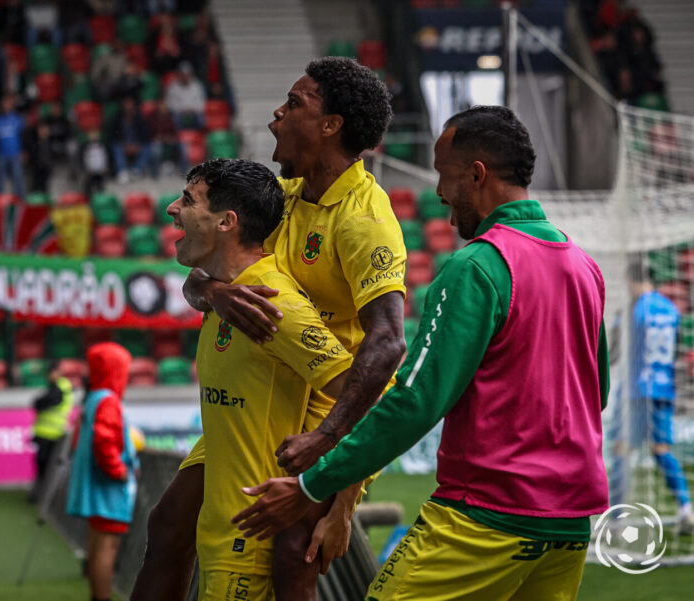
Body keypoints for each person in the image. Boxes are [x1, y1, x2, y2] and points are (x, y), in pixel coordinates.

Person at [233, 106, 611, 601]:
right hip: (568, 527)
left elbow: (416, 401)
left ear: (476, 175)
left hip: (483, 519)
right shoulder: (584, 266)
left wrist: (313, 485)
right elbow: (595, 391)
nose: (438, 193)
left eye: (444, 174)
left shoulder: (477, 266)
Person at [132, 57, 406, 601]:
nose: (276, 113)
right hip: (268, 394)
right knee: (168, 524)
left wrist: (340, 483)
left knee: (292, 546)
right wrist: (213, 294)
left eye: (295, 103)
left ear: (330, 125)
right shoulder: (283, 198)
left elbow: (389, 344)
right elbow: (199, 277)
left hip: (337, 405)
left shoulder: (363, 219)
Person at [167, 158, 359, 601]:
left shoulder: (275, 305)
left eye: (188, 200)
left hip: (246, 547)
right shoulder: (227, 294)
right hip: (220, 538)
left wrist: (331, 496)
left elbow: (366, 400)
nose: (171, 208)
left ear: (226, 222)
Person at [615, 263, 692, 532]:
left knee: (622, 450)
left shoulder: (634, 310)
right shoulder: (670, 309)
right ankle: (686, 508)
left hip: (636, 392)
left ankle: (615, 521)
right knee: (661, 451)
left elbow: (615, 350)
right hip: (664, 387)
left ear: (632, 281)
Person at [67, 342, 139, 601]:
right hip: (108, 489)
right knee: (108, 547)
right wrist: (119, 470)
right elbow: (104, 440)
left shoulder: (93, 398)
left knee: (98, 544)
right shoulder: (108, 401)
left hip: (96, 488)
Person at [30, 363, 74, 502]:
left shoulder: (61, 386)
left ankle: (47, 495)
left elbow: (46, 401)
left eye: (52, 372)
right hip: (46, 432)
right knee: (43, 464)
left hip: (53, 433)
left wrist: (39, 402)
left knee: (47, 464)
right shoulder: (56, 386)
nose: (50, 375)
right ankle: (43, 493)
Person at [0, 94, 26, 198]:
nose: (6, 105)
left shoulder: (17, 119)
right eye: (4, 103)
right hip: (1, 155)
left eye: (9, 103)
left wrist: (23, 151)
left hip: (15, 154)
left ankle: (21, 202)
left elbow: (24, 136)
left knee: (18, 178)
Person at [164, 62, 206, 130]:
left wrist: (191, 110)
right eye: (183, 74)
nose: (185, 77)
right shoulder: (172, 87)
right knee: (174, 120)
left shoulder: (198, 85)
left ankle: (200, 137)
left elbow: (201, 104)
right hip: (179, 114)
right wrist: (184, 111)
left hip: (194, 113)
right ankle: (179, 138)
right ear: (179, 75)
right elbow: (170, 104)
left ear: (191, 74)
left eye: (187, 74)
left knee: (201, 120)